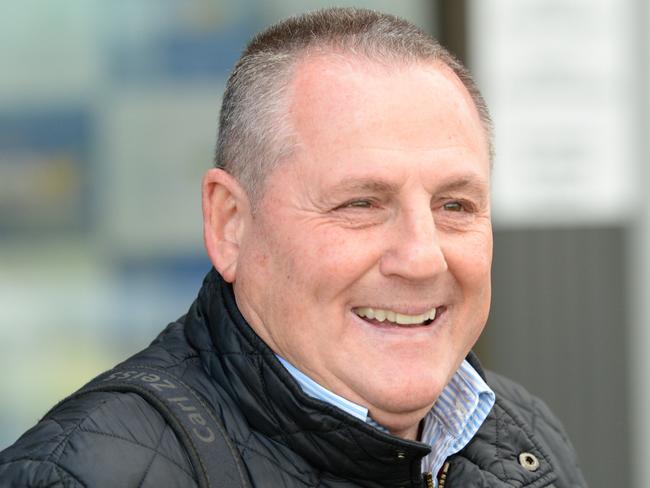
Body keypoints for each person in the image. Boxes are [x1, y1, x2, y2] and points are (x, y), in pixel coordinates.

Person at [0, 8, 587, 487]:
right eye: (361, 204)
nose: (422, 257)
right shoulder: (83, 474)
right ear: (230, 223)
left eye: (455, 206)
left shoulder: (523, 440)